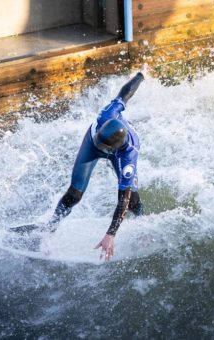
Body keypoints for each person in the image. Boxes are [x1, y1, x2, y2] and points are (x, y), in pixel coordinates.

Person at [45, 64, 149, 261]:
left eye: (105, 147)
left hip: (119, 152)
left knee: (133, 199)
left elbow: (123, 199)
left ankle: (142, 226)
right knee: (74, 193)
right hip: (91, 143)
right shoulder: (107, 114)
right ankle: (48, 231)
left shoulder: (128, 156)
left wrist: (110, 234)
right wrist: (141, 74)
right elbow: (126, 93)